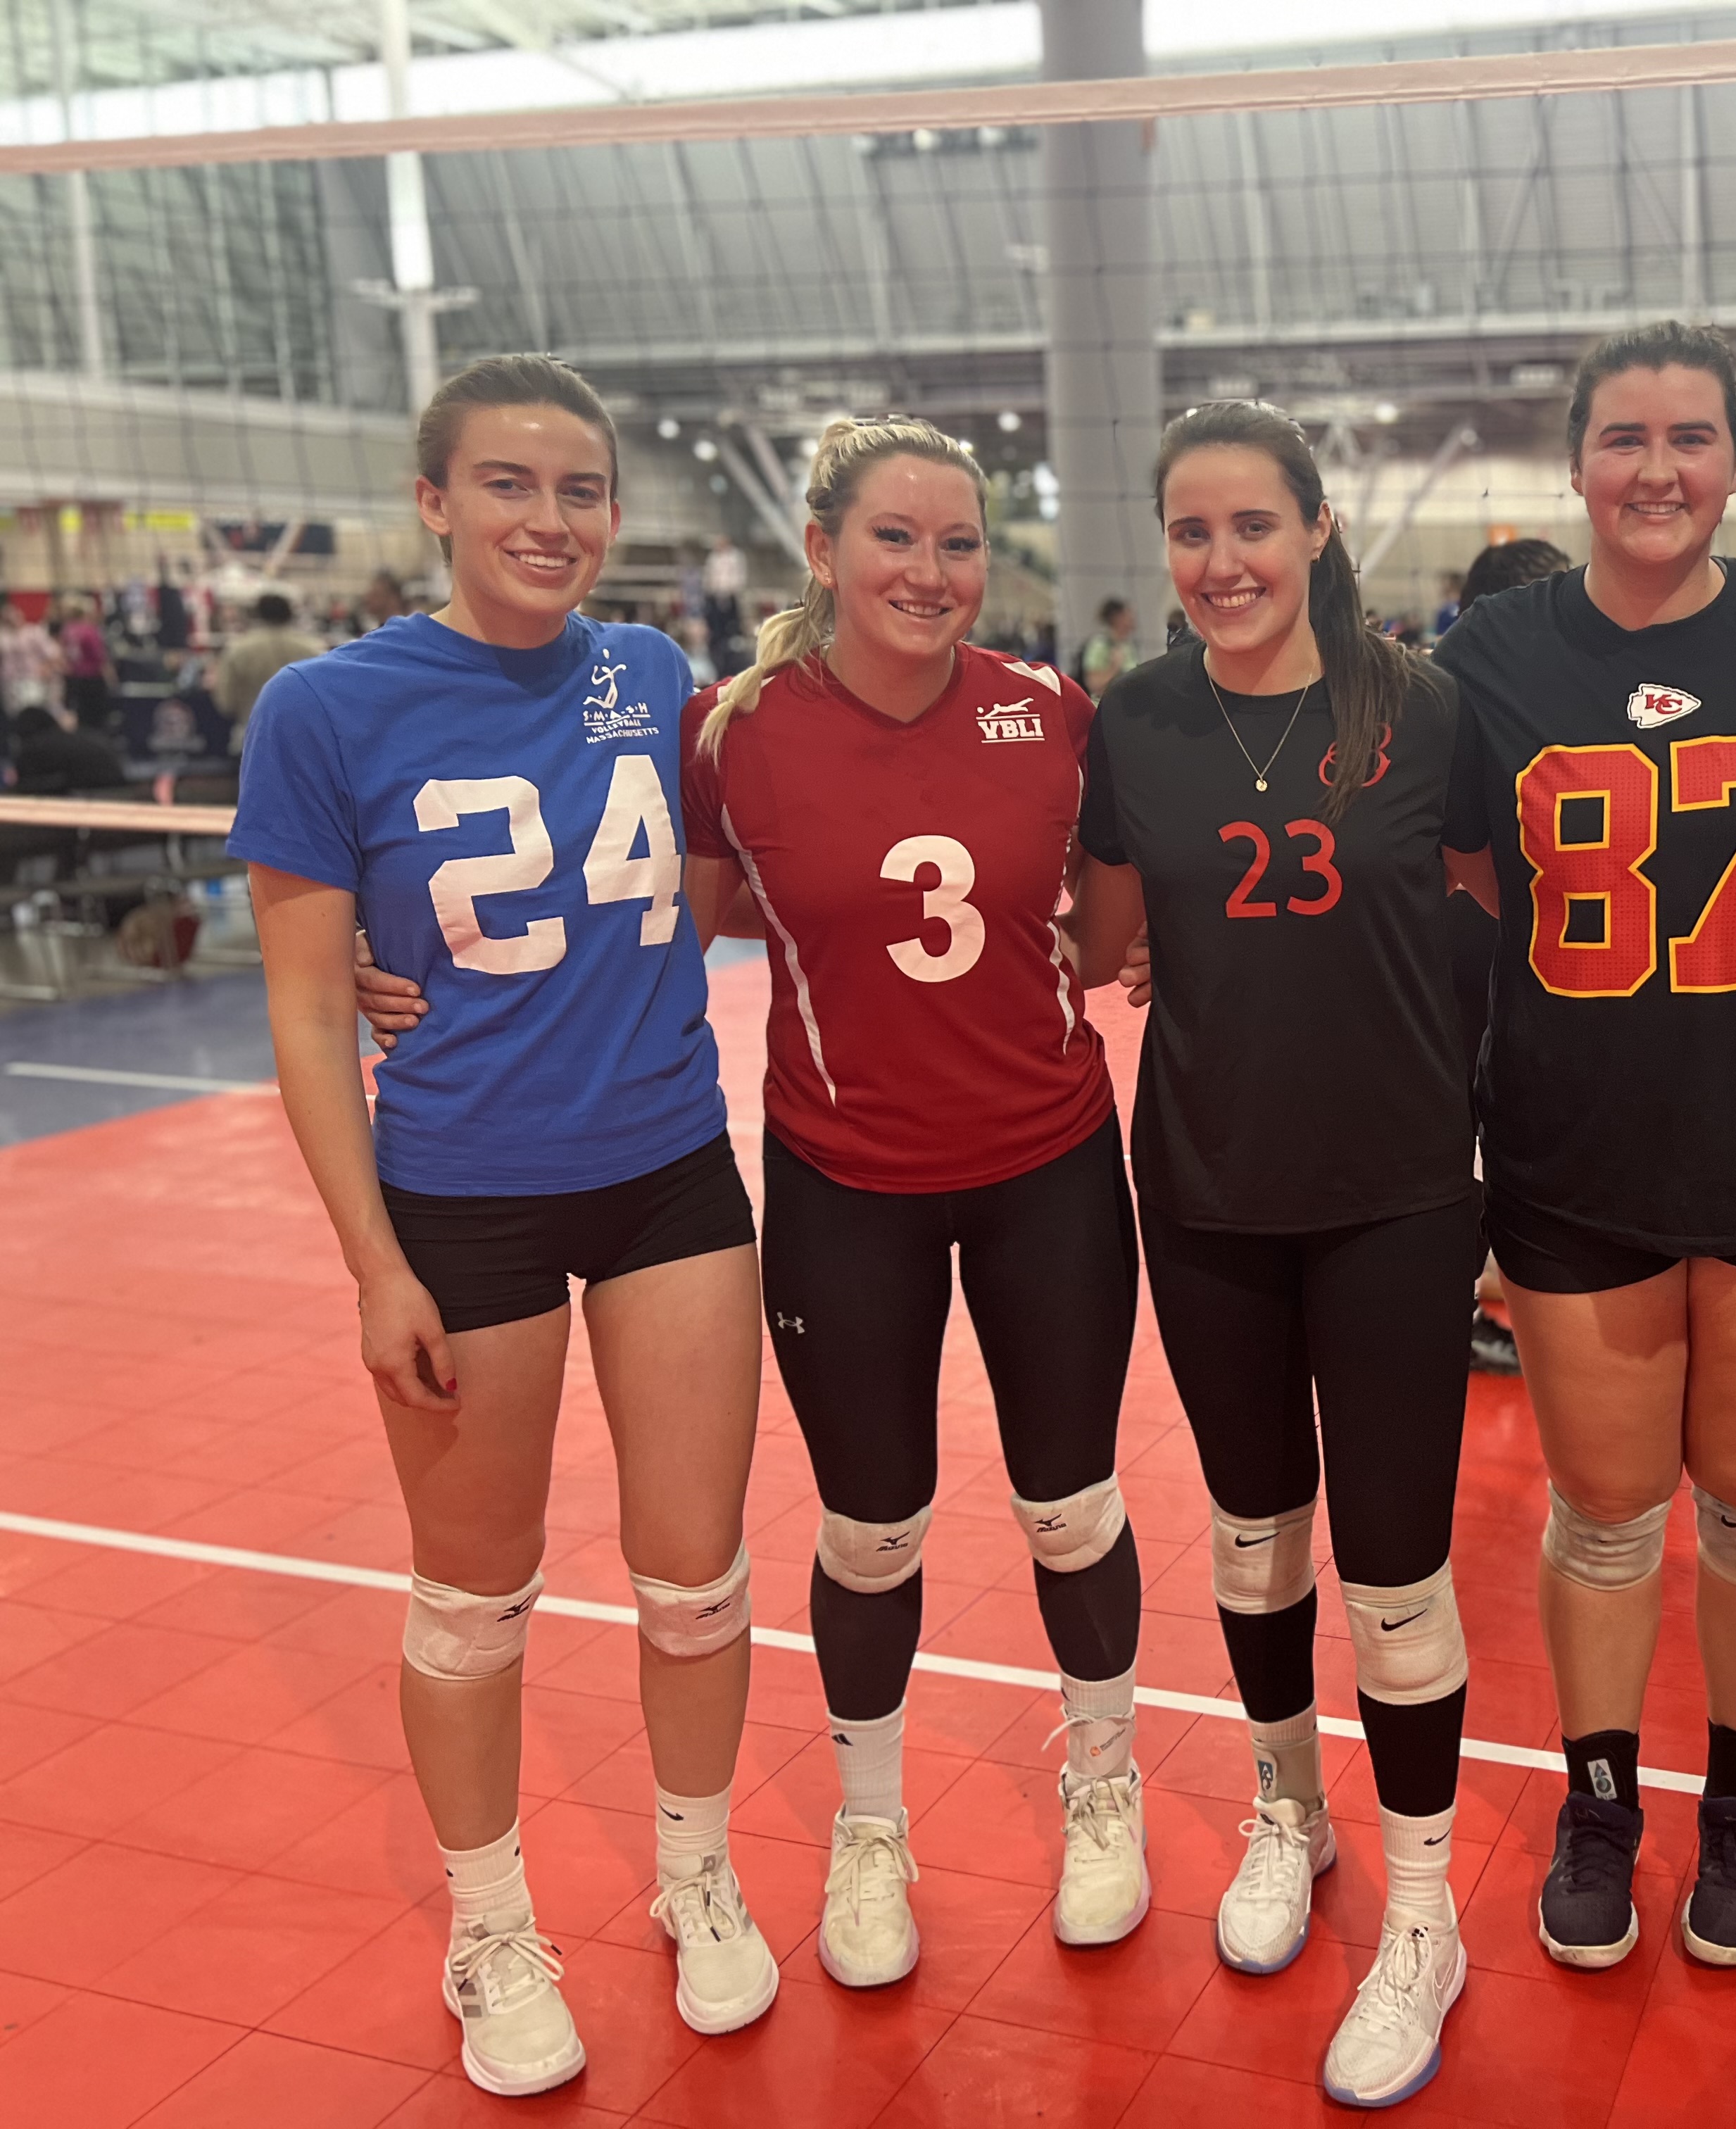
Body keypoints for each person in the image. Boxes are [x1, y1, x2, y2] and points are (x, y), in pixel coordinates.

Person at [356, 415, 1159, 1990]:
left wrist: (1125, 957)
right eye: (894, 538)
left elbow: (1115, 912)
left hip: (1049, 1163)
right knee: (871, 1527)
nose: (929, 571)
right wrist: (394, 957)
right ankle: (870, 1828)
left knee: (1072, 1502)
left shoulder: (1050, 708)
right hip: (845, 1177)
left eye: (958, 542)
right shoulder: (734, 728)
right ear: (822, 550)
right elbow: (672, 895)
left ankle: (1104, 1783)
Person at [232, 355, 778, 2099]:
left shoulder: (652, 673)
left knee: (696, 1578)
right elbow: (305, 1010)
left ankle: (697, 1875)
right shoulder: (323, 708)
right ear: (435, 500)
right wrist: (373, 1266)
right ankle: (489, 1927)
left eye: (581, 490)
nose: (551, 521)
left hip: (669, 1169)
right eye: (510, 485)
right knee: (475, 1600)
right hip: (461, 1193)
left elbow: (716, 885)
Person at [1434, 320, 1736, 1976]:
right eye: (1623, 437)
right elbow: (1442, 865)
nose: (1656, 469)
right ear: (1576, 462)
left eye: (1690, 436)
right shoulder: (1493, 651)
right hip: (1577, 1153)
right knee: (1609, 1513)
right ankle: (1603, 1800)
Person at [1077, 401, 1481, 2106]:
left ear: (1319, 529)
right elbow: (1102, 937)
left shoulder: (1421, 707)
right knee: (1254, 1536)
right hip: (1206, 1188)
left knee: (1395, 1571)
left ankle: (1426, 1912)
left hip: (1397, 1197)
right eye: (1191, 531)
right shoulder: (1138, 719)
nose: (1222, 561)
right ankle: (1288, 1811)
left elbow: (1492, 912)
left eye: (1254, 525)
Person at [1445, 536, 1575, 1378]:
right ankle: (1460, 1304)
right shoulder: (1455, 703)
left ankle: (1478, 1281)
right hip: (1466, 951)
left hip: (1506, 946)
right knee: (1459, 1119)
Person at [216, 589, 329, 748]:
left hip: (252, 738)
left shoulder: (237, 650)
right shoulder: (313, 649)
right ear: (290, 614)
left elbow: (226, 702)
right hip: (303, 741)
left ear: (257, 614)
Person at [56, 596, 111, 731]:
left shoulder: (67, 630)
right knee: (94, 714)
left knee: (78, 713)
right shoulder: (89, 631)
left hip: (73, 677)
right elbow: (99, 655)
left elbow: (63, 653)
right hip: (91, 677)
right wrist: (109, 676)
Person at [1077, 594, 1138, 696]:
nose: (1132, 619)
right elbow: (1093, 684)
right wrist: (1114, 668)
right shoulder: (1099, 645)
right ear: (1117, 618)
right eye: (1127, 615)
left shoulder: (1128, 646)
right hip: (1105, 702)